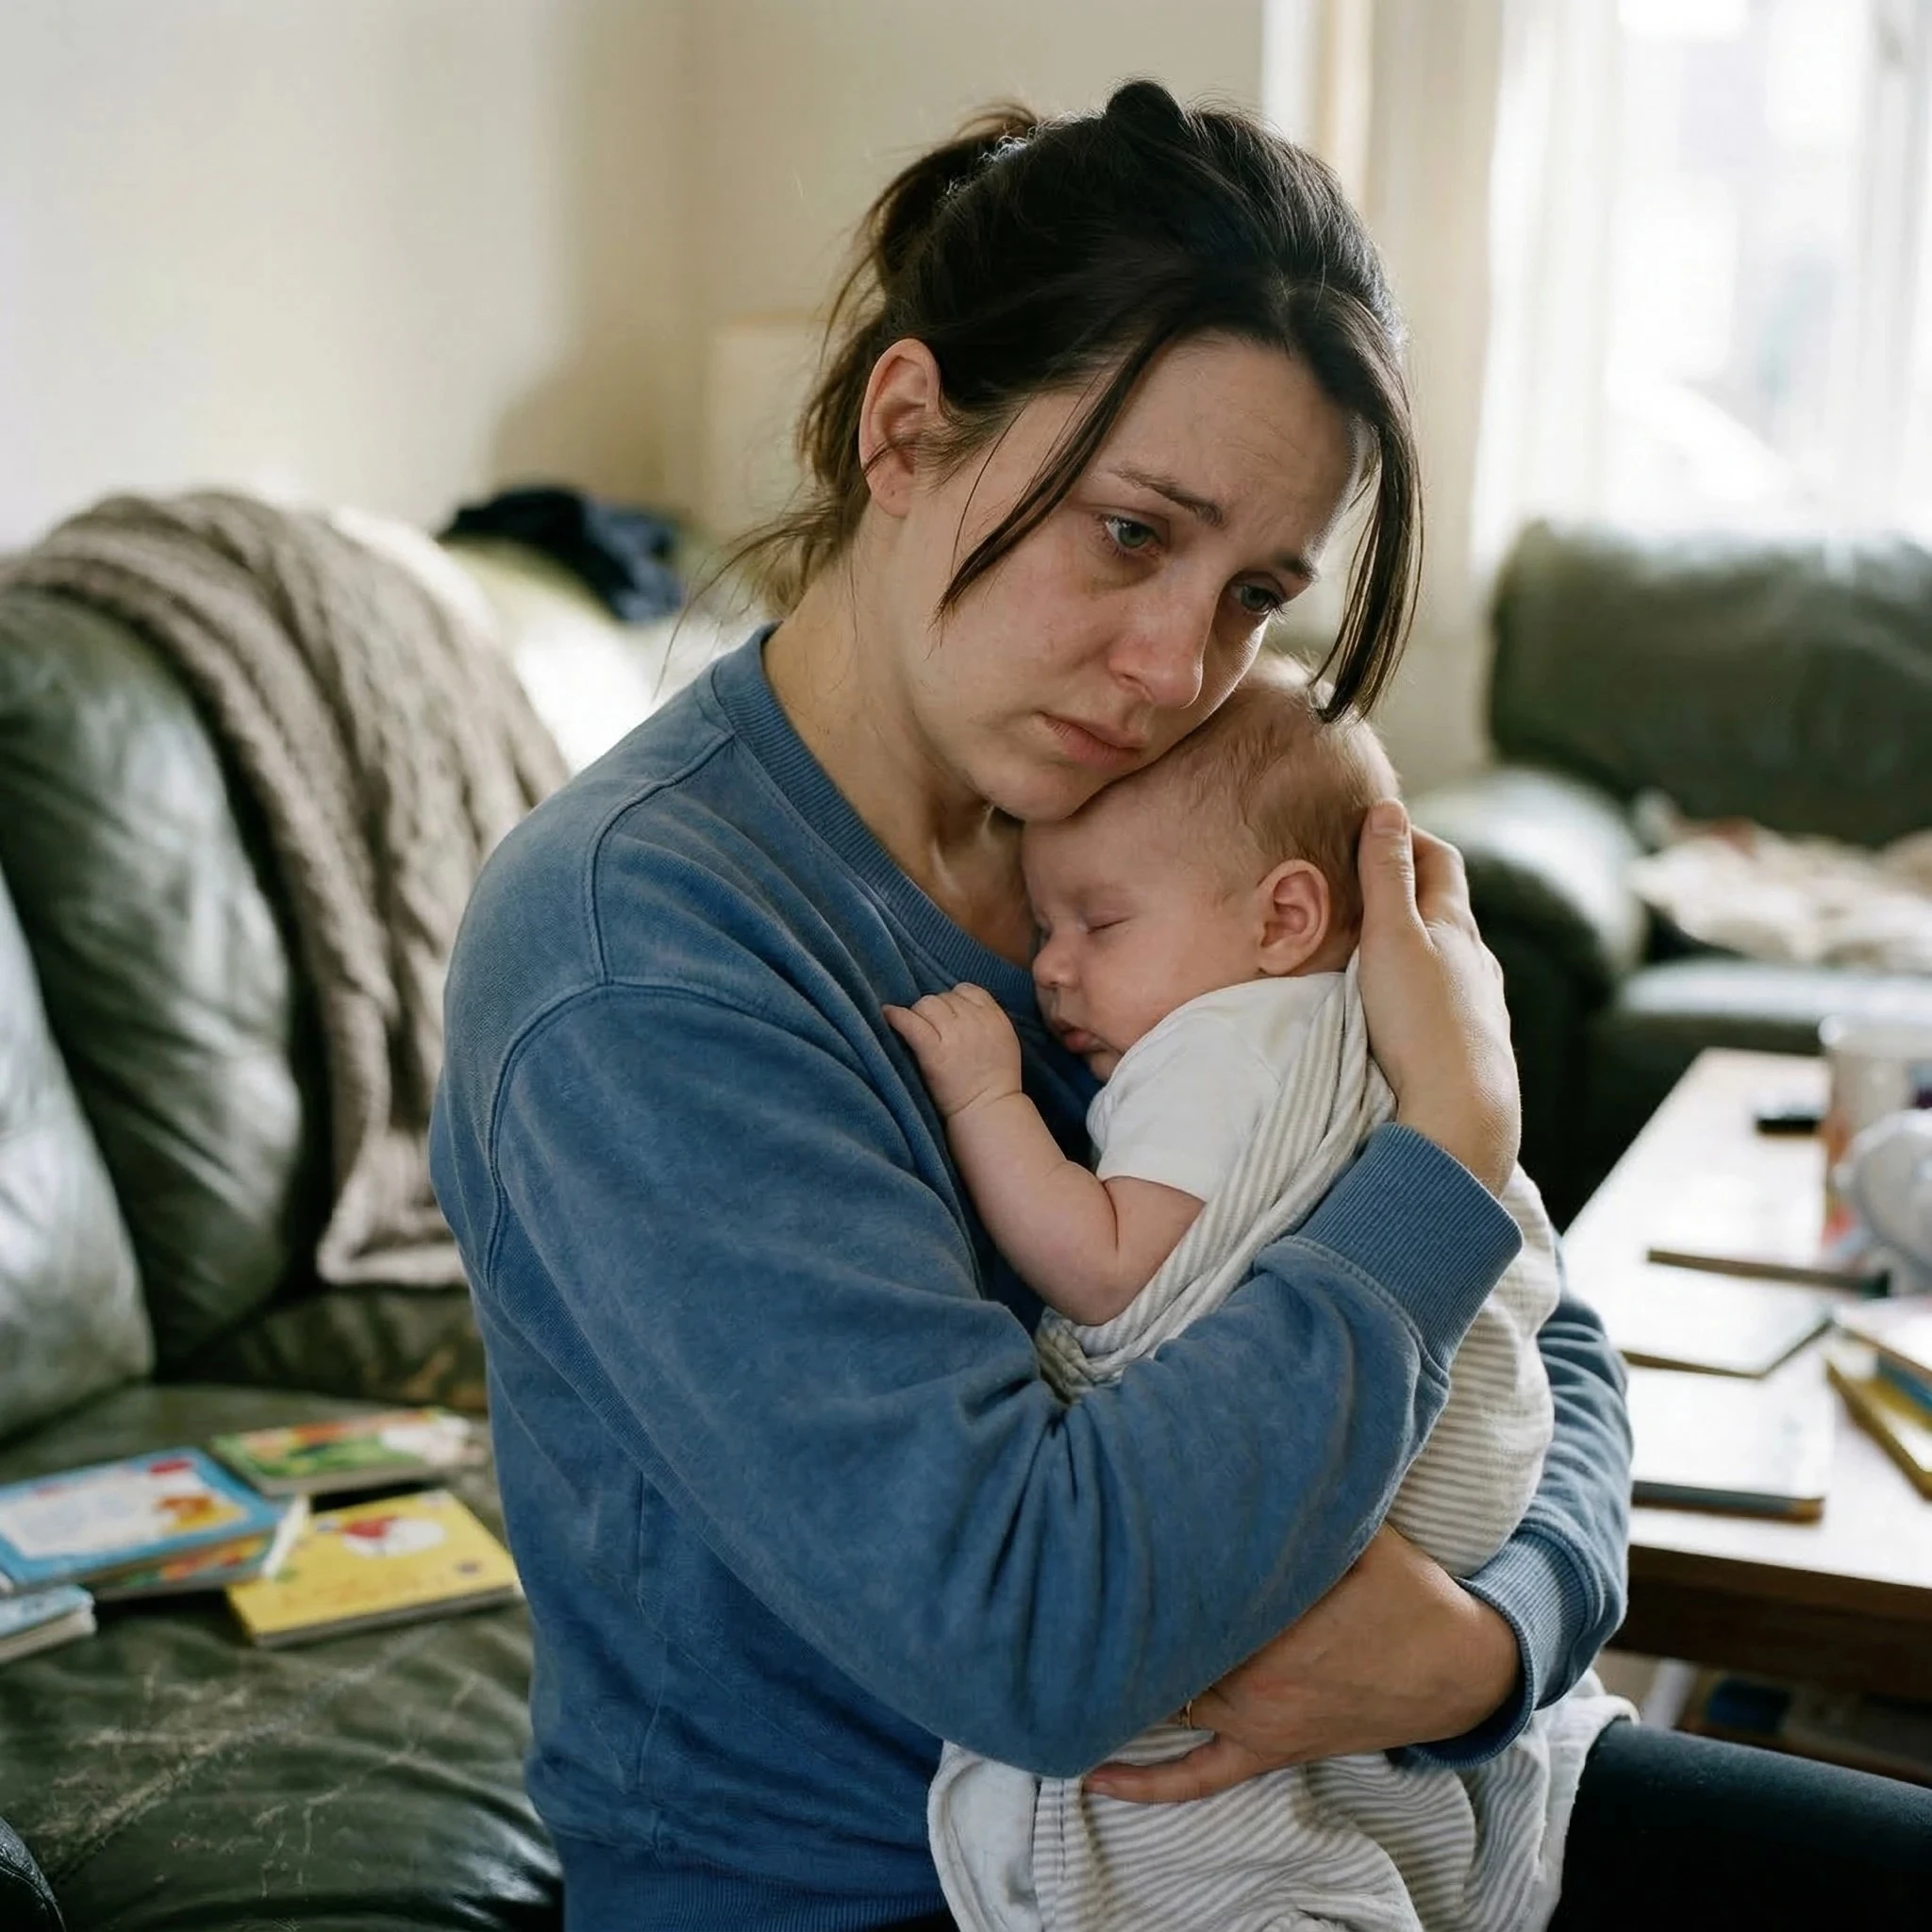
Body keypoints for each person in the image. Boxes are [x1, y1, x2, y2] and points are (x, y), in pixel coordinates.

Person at [428, 80, 1932, 1932]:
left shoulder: (1197, 811)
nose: (1176, 668)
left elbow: (1540, 1325)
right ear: (903, 429)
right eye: (1132, 534)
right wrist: (1452, 1132)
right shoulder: (635, 951)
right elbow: (1036, 1632)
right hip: (892, 1887)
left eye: (1254, 591)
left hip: (1374, 1803)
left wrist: (1484, 1644)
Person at [893, 665, 1616, 1932]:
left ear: (1286, 917)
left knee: (1198, 1859)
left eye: (1097, 926)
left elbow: (1111, 1266)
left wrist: (986, 1103)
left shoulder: (1222, 1046)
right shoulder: (1395, 1021)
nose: (1050, 972)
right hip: (1458, 1534)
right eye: (1044, 924)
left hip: (1375, 1587)